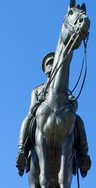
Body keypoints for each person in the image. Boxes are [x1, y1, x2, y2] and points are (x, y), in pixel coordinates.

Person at [16, 52, 91, 180]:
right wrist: (40, 104)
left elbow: (74, 102)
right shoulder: (37, 90)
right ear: (45, 70)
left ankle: (83, 155)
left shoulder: (65, 91)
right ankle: (21, 151)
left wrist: (71, 106)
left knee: (78, 121)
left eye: (53, 62)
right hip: (42, 118)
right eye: (48, 64)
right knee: (27, 119)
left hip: (62, 117)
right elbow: (32, 108)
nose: (51, 65)